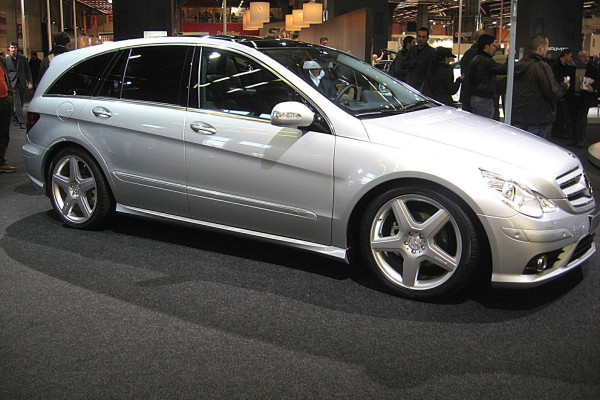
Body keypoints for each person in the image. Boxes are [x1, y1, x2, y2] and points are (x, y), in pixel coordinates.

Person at [512, 34, 570, 139]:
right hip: (537, 118)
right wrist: (564, 86)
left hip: (519, 116)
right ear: (541, 48)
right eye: (547, 47)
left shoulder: (520, 64)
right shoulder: (541, 67)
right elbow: (553, 92)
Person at [467, 34, 507, 118]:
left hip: (474, 97)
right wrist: (509, 58)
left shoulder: (475, 59)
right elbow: (503, 69)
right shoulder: (486, 61)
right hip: (484, 99)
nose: (495, 48)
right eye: (493, 45)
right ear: (486, 47)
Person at [567, 50, 599, 147]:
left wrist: (593, 88)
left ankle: (581, 140)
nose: (586, 58)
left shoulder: (593, 69)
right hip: (574, 96)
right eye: (584, 56)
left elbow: (598, 81)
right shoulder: (572, 67)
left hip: (585, 97)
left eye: (587, 56)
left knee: (581, 119)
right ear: (579, 57)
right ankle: (573, 139)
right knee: (573, 119)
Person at [6, 41, 33, 129]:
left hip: (22, 83)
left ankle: (16, 118)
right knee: (17, 103)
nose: (13, 49)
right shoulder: (6, 60)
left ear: (17, 48)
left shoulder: (22, 58)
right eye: (12, 47)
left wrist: (29, 82)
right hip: (12, 83)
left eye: (15, 47)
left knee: (21, 102)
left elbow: (27, 71)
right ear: (9, 48)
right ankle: (22, 122)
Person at [401, 27, 435, 92]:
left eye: (423, 37)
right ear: (416, 37)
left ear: (427, 38)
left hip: (423, 86)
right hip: (410, 84)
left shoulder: (431, 52)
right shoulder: (412, 49)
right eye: (419, 36)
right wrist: (412, 62)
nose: (420, 39)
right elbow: (402, 65)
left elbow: (431, 71)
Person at [460, 30, 486, 112]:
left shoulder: (467, 53)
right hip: (478, 94)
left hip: (466, 92)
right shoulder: (481, 55)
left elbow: (463, 70)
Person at [550, 49, 574, 138]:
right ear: (565, 55)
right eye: (570, 56)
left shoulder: (565, 66)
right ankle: (557, 132)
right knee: (560, 114)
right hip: (558, 92)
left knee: (562, 114)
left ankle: (558, 131)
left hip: (563, 92)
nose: (571, 58)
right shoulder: (556, 66)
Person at [0, 54, 15, 172]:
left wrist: (9, 96)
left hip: (5, 100)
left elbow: (7, 79)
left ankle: (1, 162)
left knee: (4, 133)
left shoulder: (2, 61)